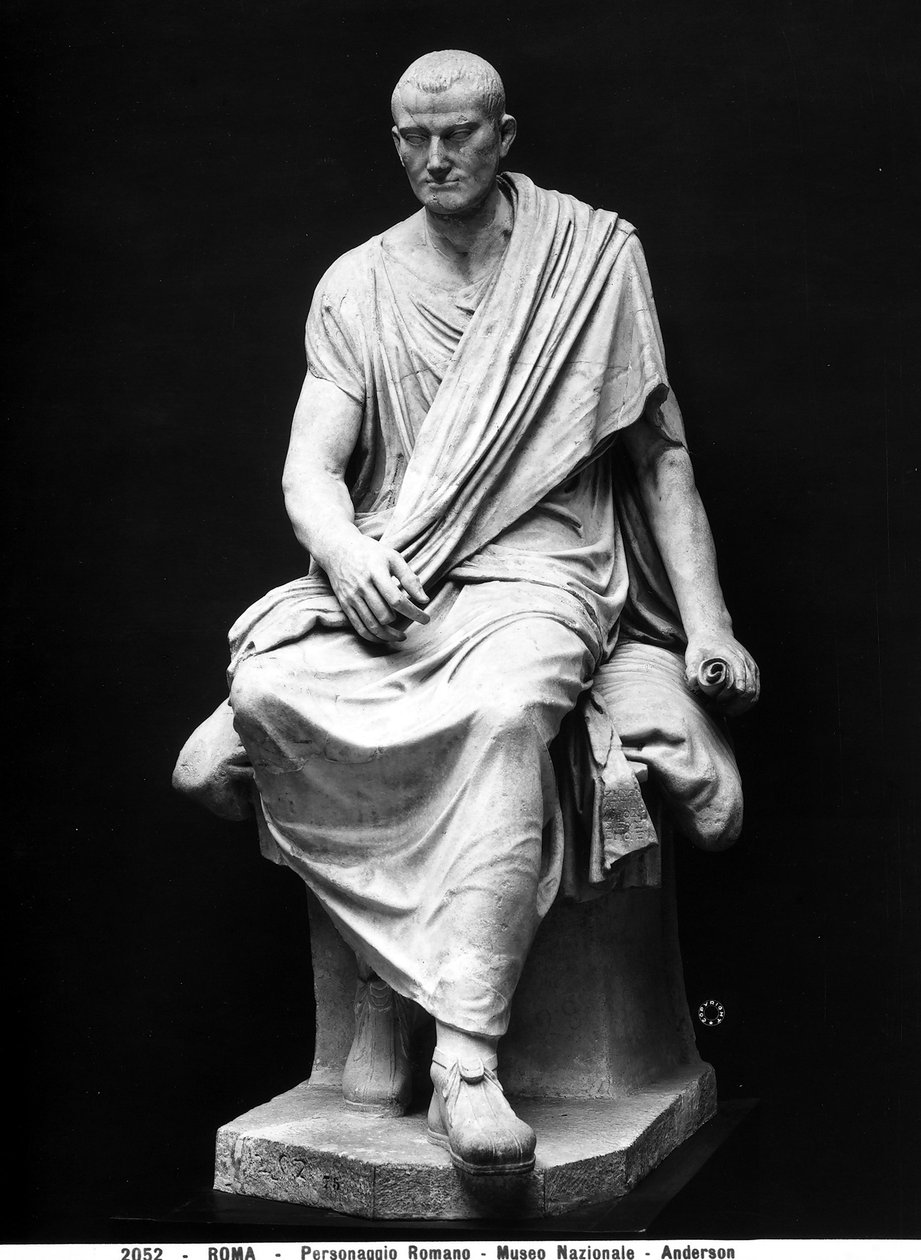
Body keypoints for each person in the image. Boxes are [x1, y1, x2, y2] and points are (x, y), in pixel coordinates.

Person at [174, 50, 759, 1177]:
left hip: (545, 574)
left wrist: (710, 625)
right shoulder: (357, 285)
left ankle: (466, 1060)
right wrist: (346, 553)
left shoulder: (589, 260)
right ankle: (379, 1007)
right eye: (413, 137)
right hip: (396, 572)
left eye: (458, 135)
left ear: (505, 135)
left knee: (501, 715)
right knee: (260, 698)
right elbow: (310, 471)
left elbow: (659, 455)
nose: (435, 158)